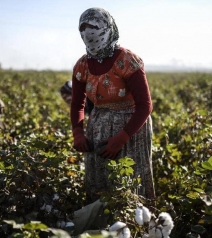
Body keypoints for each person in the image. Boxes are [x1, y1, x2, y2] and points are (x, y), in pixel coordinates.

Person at [70, 7, 155, 204]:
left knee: (130, 180)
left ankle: (134, 227)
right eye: (83, 27)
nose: (88, 31)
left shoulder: (127, 60)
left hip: (132, 128)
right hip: (98, 125)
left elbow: (145, 105)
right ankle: (100, 228)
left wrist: (122, 137)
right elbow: (77, 103)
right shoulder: (82, 66)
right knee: (99, 181)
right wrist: (78, 132)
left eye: (94, 26)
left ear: (108, 28)